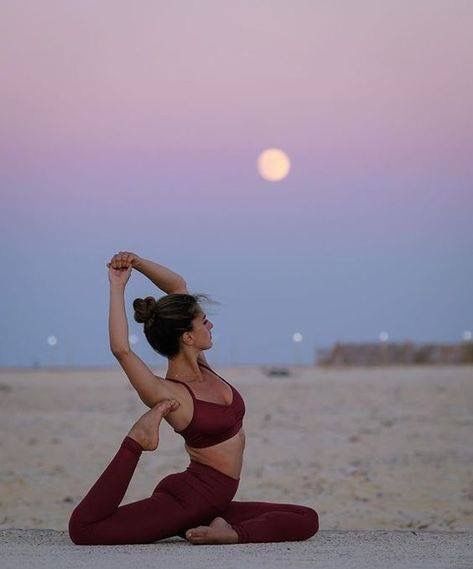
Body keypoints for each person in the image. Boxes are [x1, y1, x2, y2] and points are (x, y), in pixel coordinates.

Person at [68, 252, 319, 545]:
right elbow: (121, 350)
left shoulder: (202, 365)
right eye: (204, 322)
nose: (210, 326)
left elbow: (177, 284)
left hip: (210, 500)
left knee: (307, 518)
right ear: (187, 337)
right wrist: (116, 287)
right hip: (190, 501)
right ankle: (137, 441)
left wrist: (136, 263)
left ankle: (215, 524)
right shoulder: (168, 392)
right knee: (85, 530)